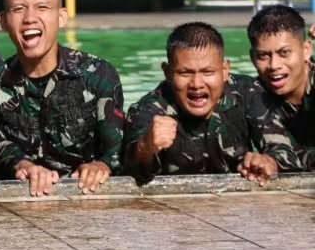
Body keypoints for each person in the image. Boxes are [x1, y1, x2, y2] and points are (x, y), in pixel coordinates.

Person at [0, 0, 125, 196]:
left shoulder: (97, 75)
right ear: (3, 21)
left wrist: (101, 166)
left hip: (86, 198)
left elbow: (117, 151)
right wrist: (19, 163)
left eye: (42, 7)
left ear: (61, 17)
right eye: (18, 8)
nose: (30, 18)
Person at [123, 22, 303, 184]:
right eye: (185, 73)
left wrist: (270, 161)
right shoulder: (148, 109)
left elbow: (288, 151)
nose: (197, 84)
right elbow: (127, 171)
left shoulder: (248, 93)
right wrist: (146, 146)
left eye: (208, 72)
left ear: (225, 70)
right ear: (168, 73)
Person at [247, 5, 314, 169]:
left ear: (306, 50)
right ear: (252, 57)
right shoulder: (252, 94)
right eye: (263, 55)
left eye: (284, 53)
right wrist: (269, 162)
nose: (274, 65)